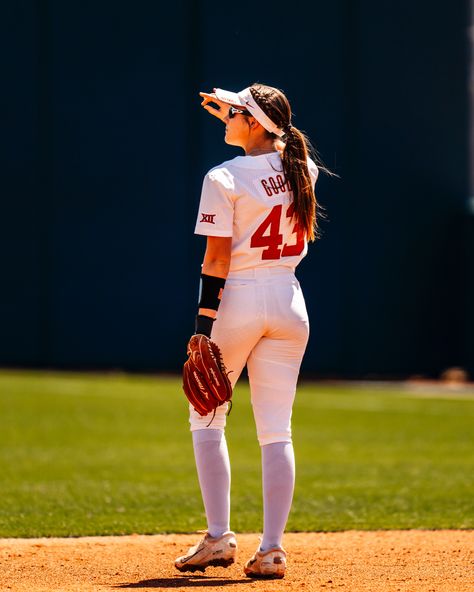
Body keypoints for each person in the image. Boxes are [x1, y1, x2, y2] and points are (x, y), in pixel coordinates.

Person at [175, 83, 327, 579]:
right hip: (288, 301)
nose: (224, 118)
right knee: (276, 431)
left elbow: (216, 259)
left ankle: (218, 537)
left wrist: (203, 327)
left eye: (233, 113)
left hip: (238, 299)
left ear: (256, 122)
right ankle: (273, 549)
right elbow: (275, 145)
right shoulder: (303, 167)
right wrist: (244, 115)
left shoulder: (222, 177)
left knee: (207, 419)